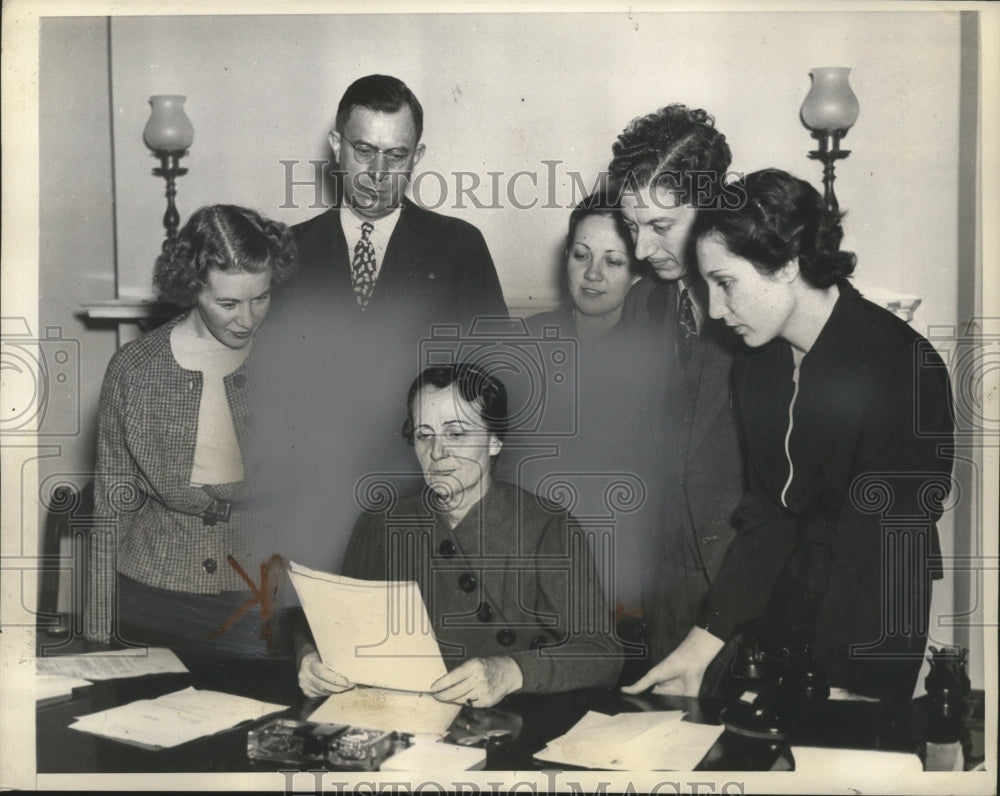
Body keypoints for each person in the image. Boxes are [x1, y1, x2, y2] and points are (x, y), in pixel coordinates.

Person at [624, 169, 954, 703]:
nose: (714, 309)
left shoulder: (903, 368)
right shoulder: (759, 364)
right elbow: (767, 520)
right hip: (782, 620)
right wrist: (701, 644)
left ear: (786, 266)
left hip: (868, 634)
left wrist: (848, 691)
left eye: (725, 283)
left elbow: (885, 553)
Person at [296, 363, 623, 706]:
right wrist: (310, 657)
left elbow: (603, 653)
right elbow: (331, 623)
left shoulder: (544, 525)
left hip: (509, 721)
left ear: (494, 440)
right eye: (424, 435)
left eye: (456, 433)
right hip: (398, 716)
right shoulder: (381, 522)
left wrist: (511, 672)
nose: (437, 453)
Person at [85, 205, 298, 673]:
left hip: (261, 592)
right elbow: (111, 504)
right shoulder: (135, 369)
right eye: (228, 304)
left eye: (260, 298)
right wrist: (99, 633)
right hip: (153, 596)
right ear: (192, 286)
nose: (247, 319)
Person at [606, 105, 746, 674]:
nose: (640, 250)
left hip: (747, 601)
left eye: (660, 227)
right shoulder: (642, 306)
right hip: (667, 601)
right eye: (632, 226)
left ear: (711, 208)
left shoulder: (754, 308)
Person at [285, 73, 508, 340]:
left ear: (416, 157)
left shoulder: (461, 246)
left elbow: (496, 364)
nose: (378, 172)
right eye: (364, 151)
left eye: (396, 155)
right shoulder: (287, 248)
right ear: (336, 146)